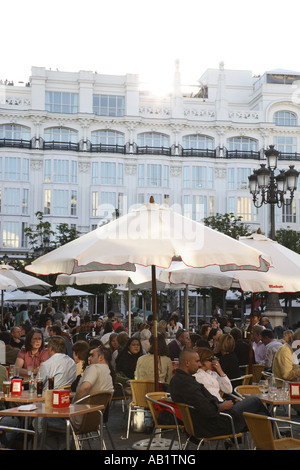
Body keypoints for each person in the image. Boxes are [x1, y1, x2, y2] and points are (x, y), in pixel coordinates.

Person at [169, 349, 270, 439]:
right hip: (216, 424)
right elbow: (207, 409)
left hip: (205, 423)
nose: (199, 365)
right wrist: (222, 406)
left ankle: (267, 444)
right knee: (255, 401)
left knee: (260, 417)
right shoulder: (187, 383)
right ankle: (273, 441)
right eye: (197, 361)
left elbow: (207, 401)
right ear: (187, 362)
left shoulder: (176, 380)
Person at [71, 346, 114, 430]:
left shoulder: (94, 367)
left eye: (92, 355)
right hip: (97, 418)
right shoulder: (107, 371)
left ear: (101, 358)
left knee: (49, 419)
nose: (89, 358)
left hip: (80, 417)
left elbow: (85, 387)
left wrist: (73, 403)